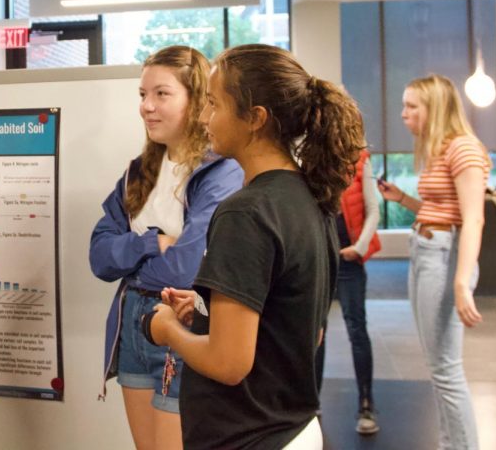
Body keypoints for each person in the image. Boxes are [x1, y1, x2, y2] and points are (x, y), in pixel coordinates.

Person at [144, 44, 365, 450]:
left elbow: (229, 364)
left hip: (248, 436)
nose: (205, 118)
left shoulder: (245, 213)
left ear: (256, 119)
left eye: (214, 104)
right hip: (294, 429)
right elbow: (301, 329)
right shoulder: (311, 197)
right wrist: (209, 312)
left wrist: (166, 329)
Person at [89, 45, 243, 450]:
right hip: (133, 329)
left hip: (183, 320)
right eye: (142, 95)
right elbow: (99, 257)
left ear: (195, 101)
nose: (146, 106)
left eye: (161, 94)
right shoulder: (138, 172)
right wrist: (152, 242)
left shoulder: (221, 171)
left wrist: (138, 257)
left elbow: (185, 269)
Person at [377, 74, 490, 450]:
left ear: (435, 108)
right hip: (427, 250)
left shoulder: (464, 149)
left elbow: (472, 218)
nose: (404, 114)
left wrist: (461, 283)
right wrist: (403, 200)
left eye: (412, 106)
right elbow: (444, 209)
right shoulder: (441, 149)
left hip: (443, 257)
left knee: (446, 369)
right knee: (439, 367)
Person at [315, 148, 382, 435]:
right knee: (315, 331)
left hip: (349, 260)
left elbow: (373, 209)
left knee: (357, 329)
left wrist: (360, 247)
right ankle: (309, 402)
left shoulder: (360, 160)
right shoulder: (311, 159)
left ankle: (366, 404)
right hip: (320, 261)